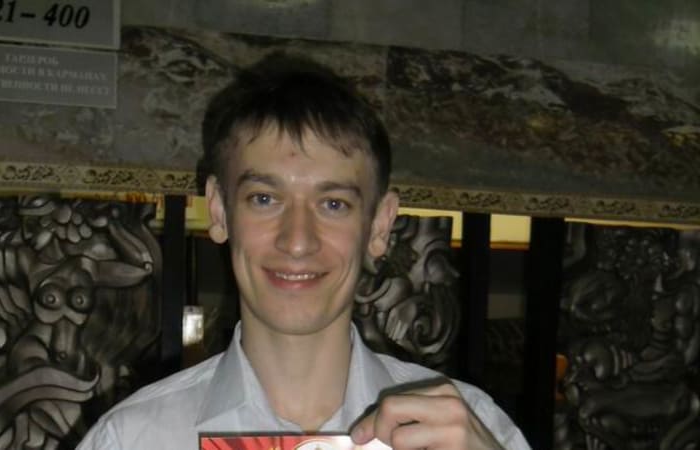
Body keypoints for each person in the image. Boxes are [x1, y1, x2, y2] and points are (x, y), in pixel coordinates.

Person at [78, 52, 530, 450]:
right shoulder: (132, 439)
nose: (297, 241)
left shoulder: (471, 430)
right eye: (264, 199)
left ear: (379, 224)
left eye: (333, 204)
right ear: (218, 210)